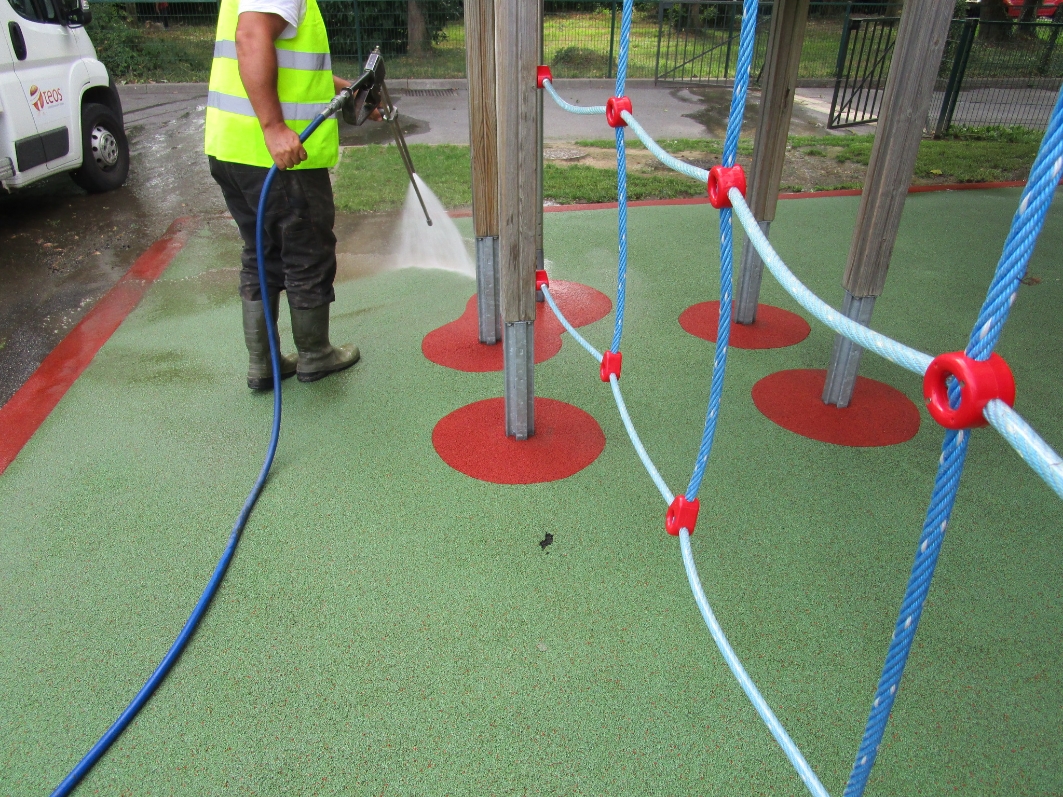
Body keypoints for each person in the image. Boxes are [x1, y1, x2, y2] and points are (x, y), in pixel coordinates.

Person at [204, 0, 360, 389]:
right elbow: (252, 37)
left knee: (261, 251)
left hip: (232, 148)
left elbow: (285, 60)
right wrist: (274, 126)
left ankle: (264, 362)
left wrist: (343, 90)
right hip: (279, 158)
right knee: (306, 252)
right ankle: (314, 353)